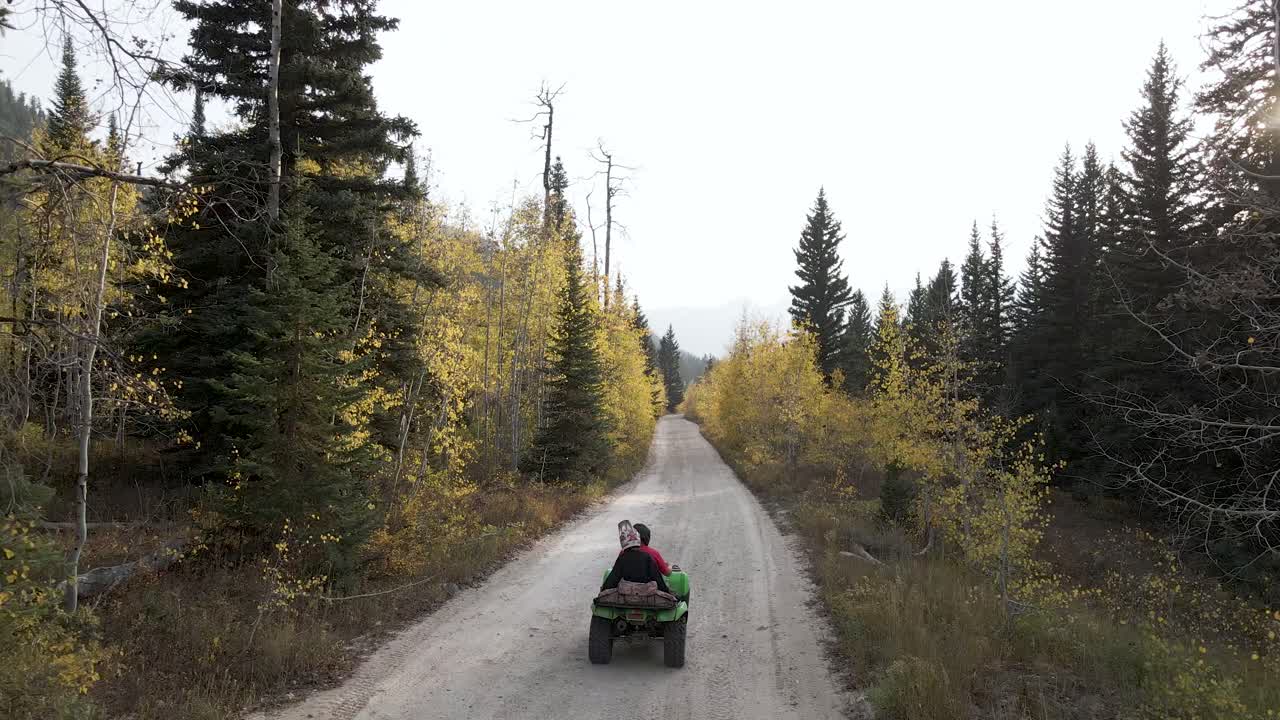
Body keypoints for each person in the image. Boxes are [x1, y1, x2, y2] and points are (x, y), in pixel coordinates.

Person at [601, 520, 669, 594]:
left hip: (626, 595)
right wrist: (668, 593)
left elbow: (611, 582)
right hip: (646, 595)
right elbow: (659, 581)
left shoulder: (622, 557)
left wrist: (602, 592)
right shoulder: (648, 557)